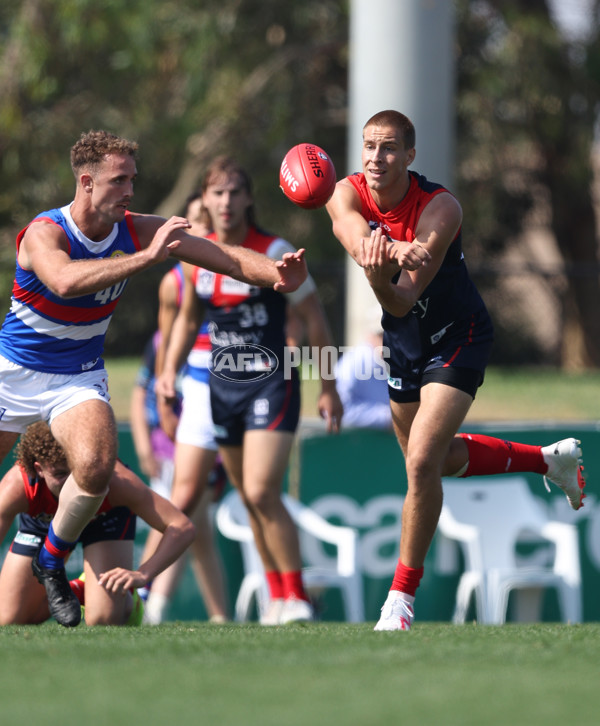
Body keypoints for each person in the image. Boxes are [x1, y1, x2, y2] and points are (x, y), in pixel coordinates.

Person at [0, 130, 307, 628]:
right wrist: (146, 258)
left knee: (97, 467)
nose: (129, 191)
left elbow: (221, 254)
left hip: (75, 376)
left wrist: (273, 272)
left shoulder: (138, 227)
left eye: (132, 180)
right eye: (119, 181)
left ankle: (52, 559)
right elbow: (64, 281)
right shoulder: (45, 233)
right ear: (86, 182)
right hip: (12, 373)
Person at [325, 109, 586, 631]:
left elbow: (399, 298)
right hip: (403, 344)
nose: (377, 157)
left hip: (458, 335)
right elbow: (359, 242)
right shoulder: (343, 193)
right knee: (437, 461)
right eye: (370, 146)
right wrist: (384, 256)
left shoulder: (441, 207)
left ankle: (400, 600)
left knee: (420, 462)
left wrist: (385, 266)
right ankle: (546, 462)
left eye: (391, 147)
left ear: (411, 155)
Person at [156, 156, 344, 625]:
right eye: (216, 193)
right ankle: (278, 597)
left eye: (234, 192)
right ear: (205, 198)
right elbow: (187, 318)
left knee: (262, 491)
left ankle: (298, 596)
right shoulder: (199, 255)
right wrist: (168, 371)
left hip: (271, 382)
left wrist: (328, 385)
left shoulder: (274, 249)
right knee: (247, 496)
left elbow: (314, 318)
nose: (225, 202)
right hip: (221, 388)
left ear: (249, 199)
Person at [0, 421, 195, 626]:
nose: (71, 485)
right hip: (43, 524)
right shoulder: (16, 486)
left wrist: (143, 574)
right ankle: (80, 589)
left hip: (104, 519)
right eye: (59, 474)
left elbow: (182, 527)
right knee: (9, 618)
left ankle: (124, 602)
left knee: (103, 618)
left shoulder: (115, 480)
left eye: (75, 471)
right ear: (39, 469)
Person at [131, 271, 229, 624]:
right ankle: (215, 615)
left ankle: (152, 603)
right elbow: (142, 392)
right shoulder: (159, 342)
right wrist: (144, 447)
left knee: (181, 525)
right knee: (193, 533)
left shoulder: (220, 338)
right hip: (166, 453)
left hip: (203, 452)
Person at [334, 307, 392, 430]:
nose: (388, 341)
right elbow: (339, 410)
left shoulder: (402, 361)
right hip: (356, 445)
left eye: (393, 334)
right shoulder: (352, 363)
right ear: (370, 335)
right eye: (382, 334)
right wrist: (389, 418)